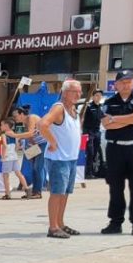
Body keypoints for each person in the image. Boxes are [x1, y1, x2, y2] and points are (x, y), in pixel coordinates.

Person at [101, 70, 133, 236]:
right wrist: (129, 119)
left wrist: (115, 119)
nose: (126, 85)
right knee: (115, 187)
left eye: (129, 82)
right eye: (122, 82)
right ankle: (115, 222)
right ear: (116, 84)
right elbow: (106, 124)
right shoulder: (109, 102)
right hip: (115, 149)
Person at [39, 80, 84, 238]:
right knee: (57, 193)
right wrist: (52, 142)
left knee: (64, 193)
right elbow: (42, 124)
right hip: (58, 159)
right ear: (64, 93)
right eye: (74, 91)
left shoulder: (74, 110)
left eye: (79, 91)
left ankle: (60, 223)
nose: (78, 94)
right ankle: (53, 227)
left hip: (70, 158)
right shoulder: (59, 108)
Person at [0, 118, 34, 200]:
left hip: (7, 157)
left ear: (6, 126)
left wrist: (3, 156)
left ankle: (7, 194)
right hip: (14, 157)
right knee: (19, 174)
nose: (0, 126)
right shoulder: (15, 135)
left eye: (2, 125)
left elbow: (4, 145)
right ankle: (27, 189)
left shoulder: (4, 135)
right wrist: (14, 152)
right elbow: (17, 146)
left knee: (5, 176)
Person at [83, 90, 106, 179]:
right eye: (96, 95)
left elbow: (104, 118)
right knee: (90, 152)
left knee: (95, 153)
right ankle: (87, 173)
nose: (98, 97)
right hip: (89, 132)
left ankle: (92, 172)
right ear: (93, 97)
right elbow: (82, 119)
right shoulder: (88, 107)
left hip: (97, 132)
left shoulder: (100, 107)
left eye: (100, 95)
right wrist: (85, 133)